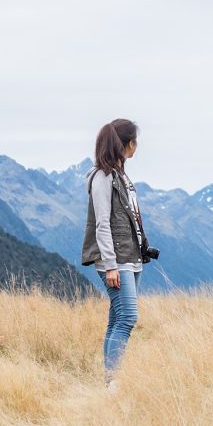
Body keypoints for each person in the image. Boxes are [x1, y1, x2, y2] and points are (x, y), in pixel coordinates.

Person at [81, 119, 151, 392]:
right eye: (135, 140)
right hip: (116, 261)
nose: (137, 146)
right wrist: (110, 265)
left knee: (117, 318)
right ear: (127, 144)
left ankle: (110, 379)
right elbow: (102, 223)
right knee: (128, 318)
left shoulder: (122, 176)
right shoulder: (102, 177)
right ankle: (113, 381)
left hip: (131, 258)